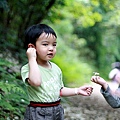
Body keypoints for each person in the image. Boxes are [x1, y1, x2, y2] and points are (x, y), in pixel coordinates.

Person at [21, 23, 93, 120]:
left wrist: (77, 90)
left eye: (54, 45)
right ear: (32, 47)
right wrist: (32, 58)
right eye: (45, 44)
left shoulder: (55, 68)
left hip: (57, 110)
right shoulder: (28, 68)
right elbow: (36, 82)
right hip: (38, 113)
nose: (51, 48)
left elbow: (60, 90)